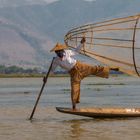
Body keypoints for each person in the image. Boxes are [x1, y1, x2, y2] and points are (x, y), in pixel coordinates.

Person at [47, 38, 118, 110]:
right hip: (73, 72)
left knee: (94, 69)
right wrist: (46, 77)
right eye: (57, 52)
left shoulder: (67, 52)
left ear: (62, 50)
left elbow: (76, 52)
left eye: (59, 52)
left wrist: (81, 43)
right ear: (56, 53)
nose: (59, 53)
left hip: (79, 66)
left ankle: (110, 69)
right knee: (74, 88)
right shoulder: (56, 60)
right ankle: (74, 106)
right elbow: (51, 70)